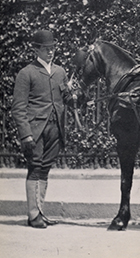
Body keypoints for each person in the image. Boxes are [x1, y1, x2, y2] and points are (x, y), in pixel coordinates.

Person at [11, 30, 73, 228]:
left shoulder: (60, 72)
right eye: (46, 49)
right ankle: (33, 215)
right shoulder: (26, 73)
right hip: (36, 129)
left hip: (56, 128)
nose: (50, 52)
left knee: (45, 169)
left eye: (52, 48)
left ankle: (39, 212)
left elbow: (66, 99)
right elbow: (18, 108)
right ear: (36, 49)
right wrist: (26, 134)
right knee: (35, 167)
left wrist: (74, 96)